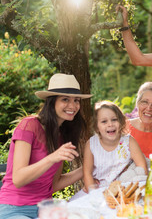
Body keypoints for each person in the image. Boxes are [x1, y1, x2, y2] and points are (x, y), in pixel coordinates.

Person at [0, 73, 92, 219]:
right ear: (52, 101)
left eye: (76, 100)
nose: (73, 106)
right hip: (15, 209)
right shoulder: (29, 126)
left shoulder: (61, 136)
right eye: (65, 99)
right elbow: (18, 179)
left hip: (45, 209)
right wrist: (52, 158)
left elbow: (55, 184)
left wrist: (88, 167)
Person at [82, 101, 148, 193]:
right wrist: (93, 194)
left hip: (124, 189)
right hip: (99, 190)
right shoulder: (91, 144)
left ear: (121, 122)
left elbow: (142, 166)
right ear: (97, 127)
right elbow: (87, 173)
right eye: (104, 121)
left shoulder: (128, 142)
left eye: (114, 120)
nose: (110, 124)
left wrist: (131, 189)